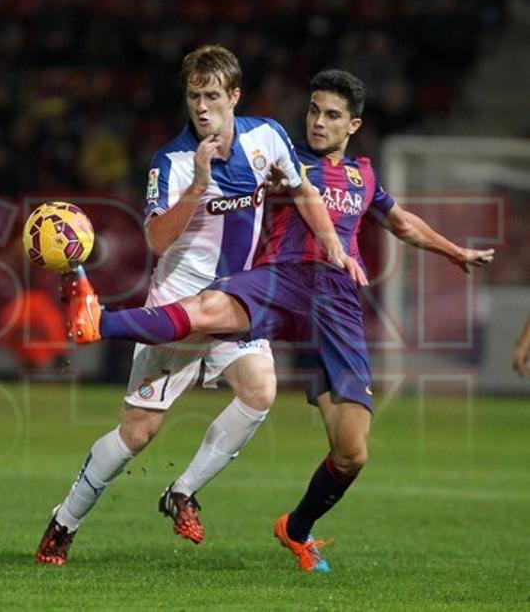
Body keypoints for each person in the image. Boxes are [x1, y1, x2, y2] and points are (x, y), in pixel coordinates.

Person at [63, 69, 495, 572]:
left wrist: (452, 251)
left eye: (331, 115)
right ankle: (100, 321)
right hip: (280, 278)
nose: (317, 122)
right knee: (209, 309)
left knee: (352, 452)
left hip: (335, 301)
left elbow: (400, 222)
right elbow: (235, 175)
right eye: (313, 110)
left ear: (352, 124)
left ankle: (297, 528)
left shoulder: (363, 175)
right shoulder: (277, 155)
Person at [35, 47, 359, 565]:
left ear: (234, 96)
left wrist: (335, 246)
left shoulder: (267, 136)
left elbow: (304, 192)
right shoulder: (172, 162)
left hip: (237, 300)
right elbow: (158, 241)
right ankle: (64, 521)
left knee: (260, 391)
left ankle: (181, 492)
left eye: (212, 96)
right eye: (193, 96)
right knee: (138, 432)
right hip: (178, 307)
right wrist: (200, 185)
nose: (202, 107)